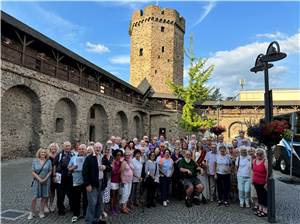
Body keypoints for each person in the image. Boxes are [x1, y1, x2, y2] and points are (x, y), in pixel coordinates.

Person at [82, 142, 109, 224]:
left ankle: (96, 219)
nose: (98, 149)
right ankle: (88, 221)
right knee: (92, 203)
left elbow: (109, 168)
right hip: (92, 184)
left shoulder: (103, 158)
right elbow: (85, 172)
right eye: (96, 147)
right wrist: (87, 184)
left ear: (102, 148)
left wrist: (105, 167)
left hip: (101, 183)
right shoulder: (89, 158)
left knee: (99, 202)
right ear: (93, 148)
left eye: (99, 147)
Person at [28, 148, 52, 220]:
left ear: (46, 154)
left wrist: (45, 179)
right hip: (37, 181)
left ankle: (41, 212)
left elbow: (50, 171)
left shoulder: (48, 161)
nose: (43, 154)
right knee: (34, 197)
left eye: (44, 152)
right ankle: (31, 212)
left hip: (46, 181)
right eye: (42, 152)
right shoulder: (35, 161)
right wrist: (39, 179)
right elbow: (33, 171)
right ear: (39, 153)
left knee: (44, 197)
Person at [53, 141, 74, 216]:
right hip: (60, 176)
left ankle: (72, 207)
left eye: (69, 146)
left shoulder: (73, 154)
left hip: (70, 177)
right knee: (60, 194)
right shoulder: (59, 154)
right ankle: (61, 209)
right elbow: (55, 165)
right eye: (66, 146)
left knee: (71, 193)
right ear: (63, 147)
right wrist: (54, 175)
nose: (68, 147)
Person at [68, 144, 87, 223]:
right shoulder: (73, 158)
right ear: (77, 150)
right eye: (80, 149)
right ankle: (76, 214)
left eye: (83, 149)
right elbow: (68, 169)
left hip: (86, 181)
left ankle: (86, 214)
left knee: (86, 199)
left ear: (85, 150)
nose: (81, 150)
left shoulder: (87, 158)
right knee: (76, 198)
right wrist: (73, 168)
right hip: (76, 181)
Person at [252, 148, 268, 217]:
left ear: (263, 154)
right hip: (256, 181)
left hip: (263, 182)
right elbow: (253, 171)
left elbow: (268, 172)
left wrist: (266, 182)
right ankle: (260, 209)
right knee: (259, 196)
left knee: (264, 196)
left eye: (260, 154)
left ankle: (265, 211)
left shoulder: (265, 161)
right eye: (257, 154)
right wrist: (252, 180)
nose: (259, 155)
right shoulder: (254, 161)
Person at [46, 143, 59, 213]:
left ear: (57, 148)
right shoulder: (47, 156)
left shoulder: (58, 155)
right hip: (49, 175)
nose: (53, 148)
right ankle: (46, 205)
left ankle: (51, 204)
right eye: (52, 147)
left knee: (53, 191)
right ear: (50, 148)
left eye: (55, 147)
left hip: (57, 175)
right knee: (48, 190)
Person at [120, 150, 134, 214]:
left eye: (128, 155)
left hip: (130, 180)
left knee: (128, 193)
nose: (127, 156)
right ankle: (123, 208)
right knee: (124, 194)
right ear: (124, 156)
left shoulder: (130, 161)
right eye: (126, 155)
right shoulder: (124, 162)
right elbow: (121, 172)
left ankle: (125, 206)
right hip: (125, 181)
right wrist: (122, 181)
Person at [111, 149, 123, 215]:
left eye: (120, 155)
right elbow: (113, 172)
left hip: (118, 180)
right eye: (118, 155)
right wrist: (119, 170)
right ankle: (112, 208)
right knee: (113, 196)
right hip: (113, 181)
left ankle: (115, 207)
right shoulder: (113, 162)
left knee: (117, 195)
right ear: (115, 155)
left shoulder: (121, 162)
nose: (119, 156)